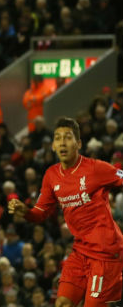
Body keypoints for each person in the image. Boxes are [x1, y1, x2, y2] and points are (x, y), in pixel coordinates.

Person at [8, 117, 123, 307]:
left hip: (106, 253)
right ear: (52, 145)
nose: (62, 142)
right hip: (80, 251)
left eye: (68, 137)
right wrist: (25, 211)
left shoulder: (96, 168)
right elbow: (40, 213)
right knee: (61, 302)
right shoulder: (51, 175)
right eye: (58, 138)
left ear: (78, 143)